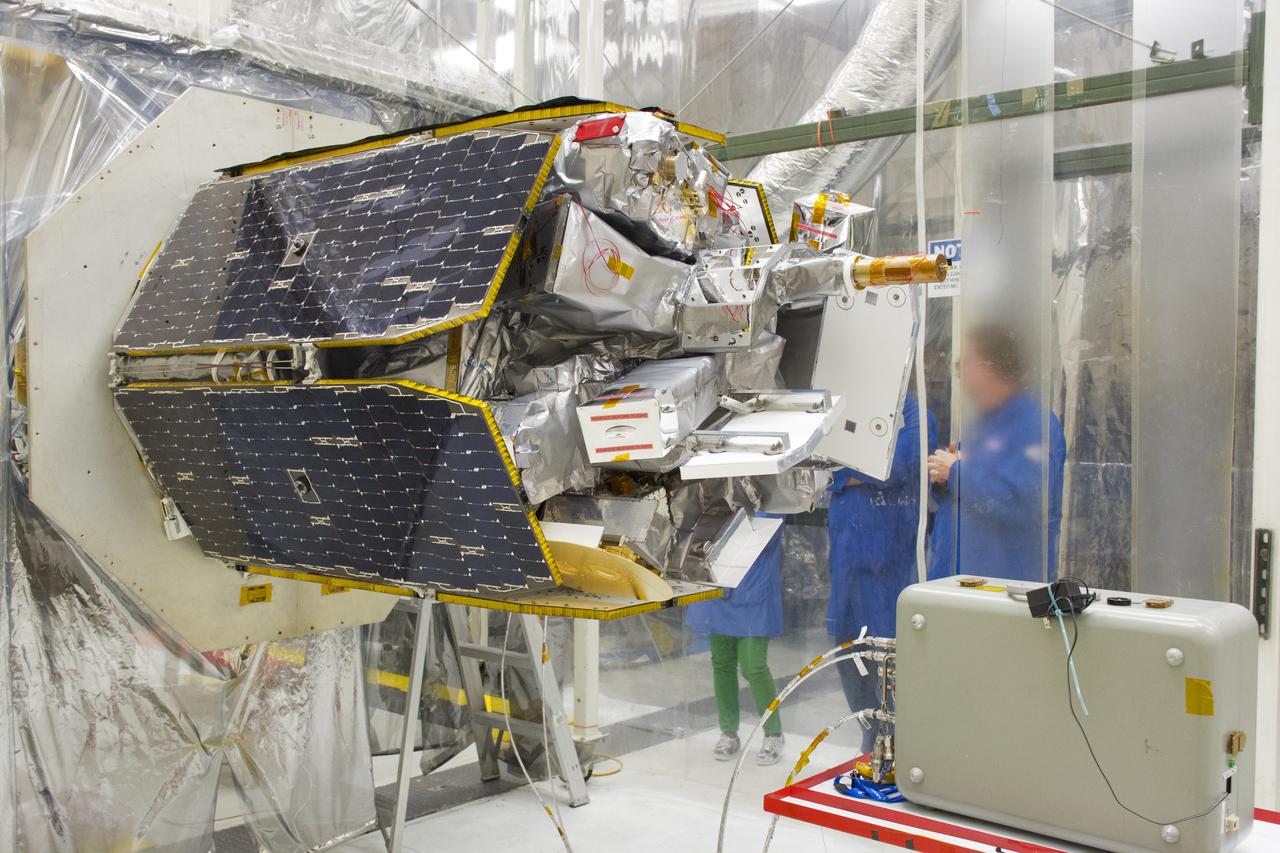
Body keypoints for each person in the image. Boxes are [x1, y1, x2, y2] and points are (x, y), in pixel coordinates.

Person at [827, 391, 936, 748]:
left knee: (888, 666)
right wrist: (853, 471)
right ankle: (870, 742)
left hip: (889, 571)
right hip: (847, 568)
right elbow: (826, 463)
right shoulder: (850, 407)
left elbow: (895, 465)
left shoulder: (917, 416)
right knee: (849, 658)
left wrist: (851, 470)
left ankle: (893, 750)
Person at [928, 324, 1067, 582]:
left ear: (989, 369)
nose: (959, 372)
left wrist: (956, 472)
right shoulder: (983, 425)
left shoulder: (1034, 425)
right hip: (959, 581)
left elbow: (1024, 501)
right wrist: (943, 479)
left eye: (966, 363)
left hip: (1001, 583)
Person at [685, 517, 785, 766]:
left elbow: (767, 528)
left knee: (753, 666)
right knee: (721, 662)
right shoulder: (719, 486)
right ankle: (728, 732)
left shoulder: (766, 490)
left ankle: (773, 733)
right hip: (719, 580)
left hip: (754, 583)